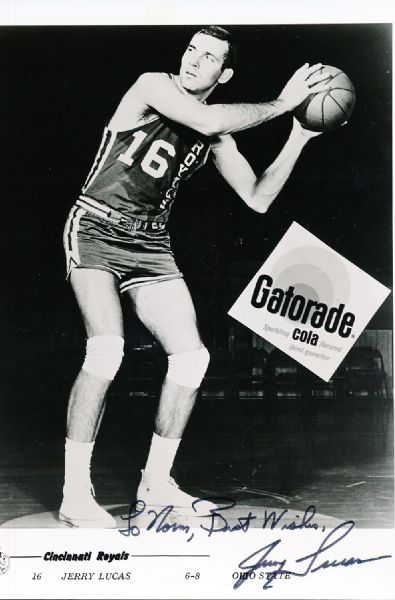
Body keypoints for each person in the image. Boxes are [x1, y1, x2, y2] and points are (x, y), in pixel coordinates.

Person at [60, 25, 331, 528]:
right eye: (191, 50)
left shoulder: (216, 133)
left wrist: (298, 133)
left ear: (223, 74)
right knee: (107, 350)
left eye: (208, 58)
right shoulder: (151, 87)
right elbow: (204, 120)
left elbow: (258, 198)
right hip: (97, 224)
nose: (193, 61)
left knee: (191, 357)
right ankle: (75, 494)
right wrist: (280, 103)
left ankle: (156, 483)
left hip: (150, 242)